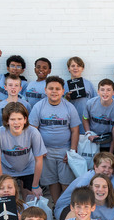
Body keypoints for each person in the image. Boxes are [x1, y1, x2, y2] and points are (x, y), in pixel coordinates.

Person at [28, 75, 81, 205]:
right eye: (51, 88)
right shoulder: (39, 107)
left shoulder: (69, 107)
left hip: (65, 150)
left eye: (57, 89)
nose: (54, 91)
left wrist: (72, 151)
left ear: (63, 91)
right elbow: (33, 130)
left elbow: (75, 130)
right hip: (46, 151)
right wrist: (39, 149)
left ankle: (67, 207)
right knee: (52, 181)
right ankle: (57, 206)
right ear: (45, 90)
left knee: (66, 182)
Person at [0, 101, 46, 197]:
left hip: (28, 167)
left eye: (19, 119)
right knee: (6, 198)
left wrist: (35, 185)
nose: (16, 123)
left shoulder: (33, 132)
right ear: (7, 121)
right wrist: (2, 184)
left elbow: (39, 159)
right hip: (5, 168)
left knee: (30, 197)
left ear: (25, 120)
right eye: (12, 119)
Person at [55, 151, 114, 220]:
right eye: (104, 166)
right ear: (95, 166)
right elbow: (77, 200)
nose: (107, 170)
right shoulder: (87, 179)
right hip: (67, 207)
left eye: (110, 168)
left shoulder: (107, 177)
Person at [82, 79, 114, 154]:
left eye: (108, 90)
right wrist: (88, 134)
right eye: (102, 90)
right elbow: (85, 118)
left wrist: (111, 151)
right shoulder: (90, 103)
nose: (105, 92)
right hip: (92, 141)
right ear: (98, 91)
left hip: (107, 143)